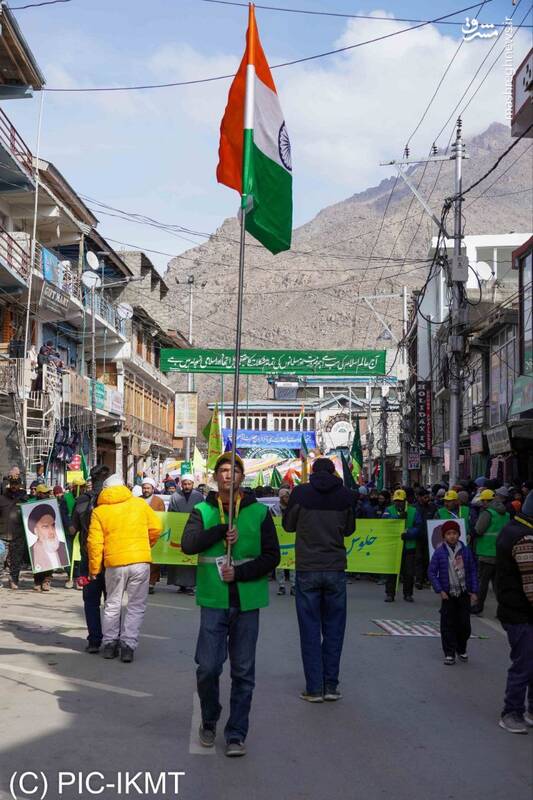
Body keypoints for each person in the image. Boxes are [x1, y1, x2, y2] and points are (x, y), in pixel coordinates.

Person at [181, 453, 280, 757]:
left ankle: (236, 733)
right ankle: (209, 718)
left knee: (243, 672)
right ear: (215, 477)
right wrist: (219, 531)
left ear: (242, 477)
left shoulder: (259, 514)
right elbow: (188, 545)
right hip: (213, 599)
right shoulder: (201, 510)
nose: (228, 475)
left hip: (247, 600)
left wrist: (240, 572)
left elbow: (271, 557)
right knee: (208, 667)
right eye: (223, 470)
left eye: (234, 471)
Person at [282, 457, 355, 703]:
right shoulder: (345, 495)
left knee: (310, 629)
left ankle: (314, 688)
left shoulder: (301, 493)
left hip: (307, 569)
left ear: (312, 472)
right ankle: (331, 686)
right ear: (333, 472)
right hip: (335, 569)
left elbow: (288, 526)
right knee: (334, 629)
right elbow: (349, 530)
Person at [87, 474, 162, 663]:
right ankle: (128, 646)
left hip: (114, 564)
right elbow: (156, 528)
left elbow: (94, 543)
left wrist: (94, 569)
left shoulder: (100, 511)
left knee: (112, 603)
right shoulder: (139, 505)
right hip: (140, 562)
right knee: (136, 605)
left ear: (105, 491)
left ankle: (110, 644)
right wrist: (144, 547)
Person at [495, 490, 533, 734]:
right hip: (521, 613)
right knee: (525, 664)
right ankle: (512, 712)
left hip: (515, 609)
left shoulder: (513, 528)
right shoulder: (525, 538)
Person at [70, 465, 111, 653]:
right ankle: (112, 641)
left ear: (91, 480)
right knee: (113, 602)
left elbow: (72, 530)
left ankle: (94, 640)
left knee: (91, 601)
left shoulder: (80, 502)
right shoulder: (116, 503)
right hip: (111, 560)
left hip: (88, 559)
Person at [428, 520, 479, 665]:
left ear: (459, 535)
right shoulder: (439, 552)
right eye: (449, 534)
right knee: (447, 625)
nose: (452, 536)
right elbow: (431, 572)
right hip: (448, 593)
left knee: (464, 625)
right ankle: (449, 653)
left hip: (463, 593)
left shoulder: (466, 551)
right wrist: (440, 590)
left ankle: (461, 648)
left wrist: (474, 591)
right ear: (444, 536)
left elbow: (472, 571)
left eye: (454, 533)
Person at [472, 489, 510, 616]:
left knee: (482, 582)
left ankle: (478, 606)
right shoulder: (506, 514)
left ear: (487, 501)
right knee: (497, 584)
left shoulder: (488, 513)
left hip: (486, 554)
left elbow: (479, 530)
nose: (482, 503)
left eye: (483, 501)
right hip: (500, 554)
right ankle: (503, 609)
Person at [383, 489, 423, 603]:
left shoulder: (413, 511)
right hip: (393, 546)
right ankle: (390, 594)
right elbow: (384, 523)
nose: (398, 503)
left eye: (400, 501)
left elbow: (418, 527)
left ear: (405, 501)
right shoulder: (388, 510)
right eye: (396, 500)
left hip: (409, 546)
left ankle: (408, 594)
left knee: (409, 572)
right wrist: (398, 519)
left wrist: (408, 533)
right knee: (391, 572)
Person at [167, 474, 203, 595]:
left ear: (193, 484)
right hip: (178, 530)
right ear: (181, 484)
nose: (187, 486)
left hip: (193, 530)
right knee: (178, 556)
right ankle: (180, 584)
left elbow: (202, 512)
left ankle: (190, 585)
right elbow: (170, 513)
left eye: (189, 484)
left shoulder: (199, 496)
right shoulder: (175, 496)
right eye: (185, 484)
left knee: (191, 557)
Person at [0, 476, 27, 589]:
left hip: (18, 535)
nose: (14, 486)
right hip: (2, 535)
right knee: (0, 560)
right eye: (12, 483)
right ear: (9, 484)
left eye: (16, 483)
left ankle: (14, 580)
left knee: (16, 561)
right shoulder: (1, 499)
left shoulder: (25, 499)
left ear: (20, 484)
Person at [27, 503, 69, 573]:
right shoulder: (32, 551)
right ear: (36, 530)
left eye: (53, 525)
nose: (51, 531)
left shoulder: (63, 547)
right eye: (45, 527)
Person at [141, 478, 165, 595]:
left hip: (154, 534)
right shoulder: (137, 500)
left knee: (154, 561)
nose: (146, 490)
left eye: (148, 488)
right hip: (140, 534)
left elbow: (162, 517)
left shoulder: (158, 501)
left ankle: (151, 583)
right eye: (144, 488)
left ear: (153, 489)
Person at [271, 487, 293, 595]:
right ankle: (281, 585)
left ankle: (294, 586)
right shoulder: (274, 509)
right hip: (279, 540)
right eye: (285, 496)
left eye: (288, 496)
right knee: (279, 564)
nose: (287, 498)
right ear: (280, 497)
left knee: (293, 563)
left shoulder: (293, 508)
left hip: (291, 539)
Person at [414, 487, 437, 589]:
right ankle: (419, 580)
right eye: (424, 497)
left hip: (430, 538)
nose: (427, 499)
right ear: (419, 497)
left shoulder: (433, 507)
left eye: (428, 497)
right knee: (419, 559)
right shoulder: (414, 508)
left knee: (429, 559)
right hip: (418, 538)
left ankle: (428, 579)